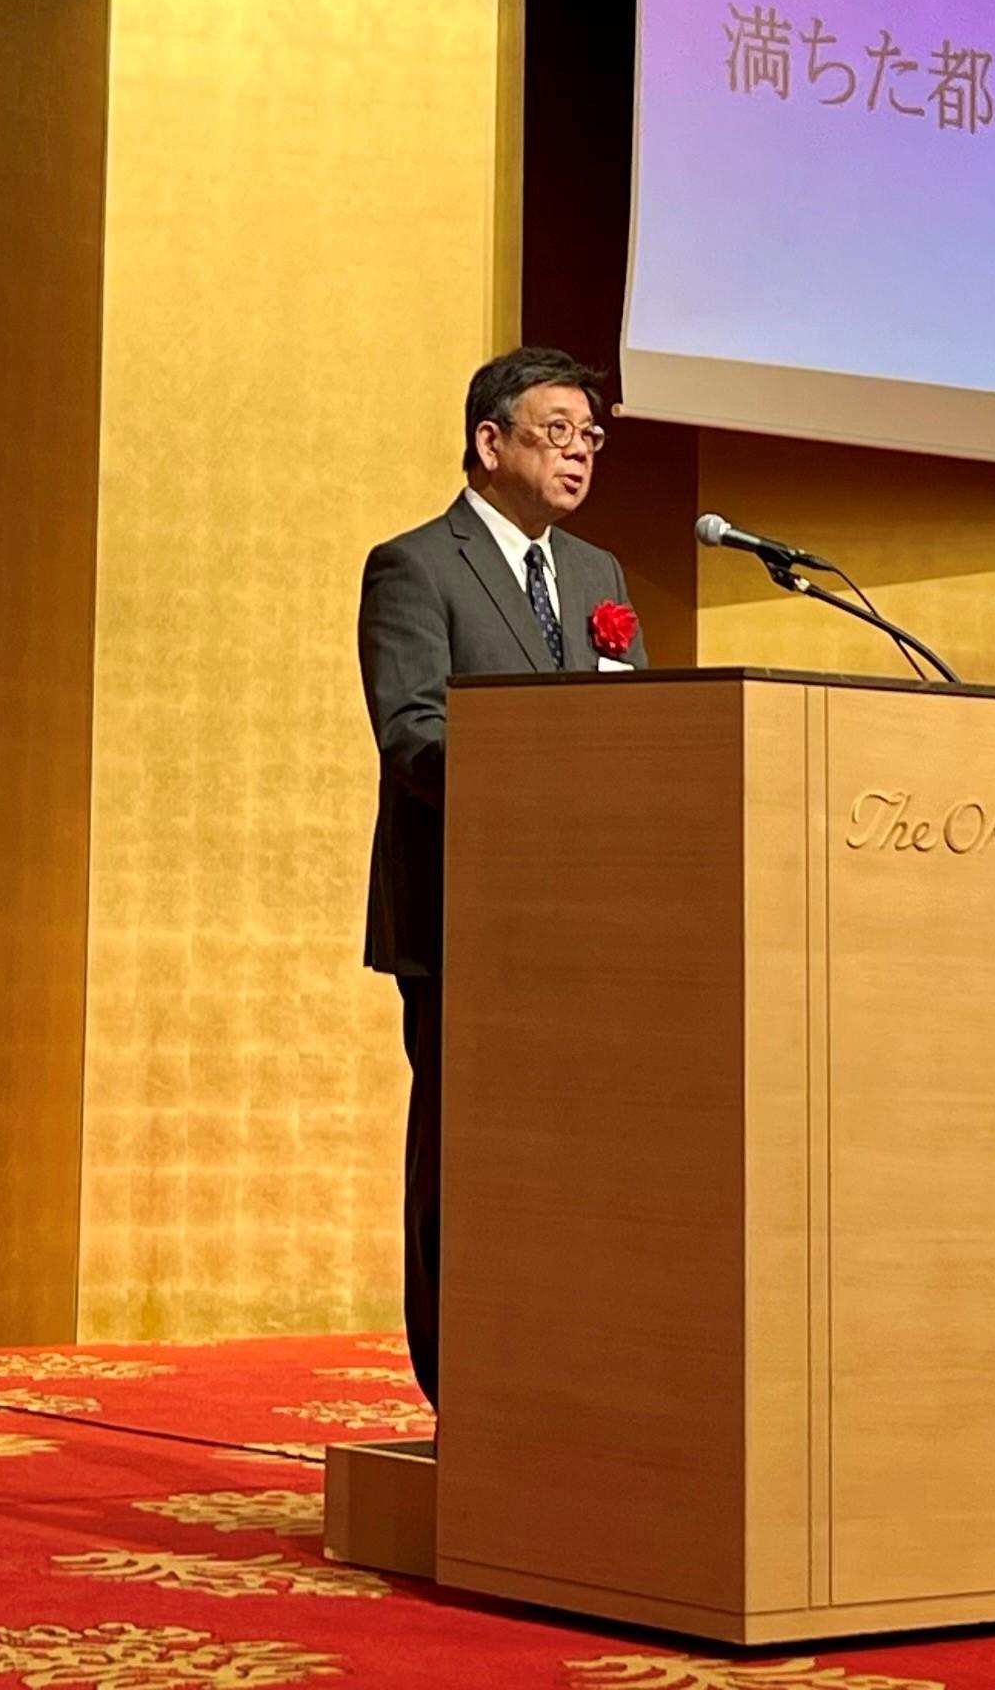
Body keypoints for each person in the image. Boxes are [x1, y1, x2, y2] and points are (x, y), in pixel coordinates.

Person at [356, 344, 646, 1406]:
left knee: (568, 1169)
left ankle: (557, 1380)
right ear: (491, 442)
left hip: (583, 928)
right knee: (464, 1169)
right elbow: (414, 734)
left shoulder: (599, 577)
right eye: (558, 432)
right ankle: (461, 1393)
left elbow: (634, 731)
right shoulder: (415, 566)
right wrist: (542, 780)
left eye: (591, 438)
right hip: (466, 922)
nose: (579, 455)